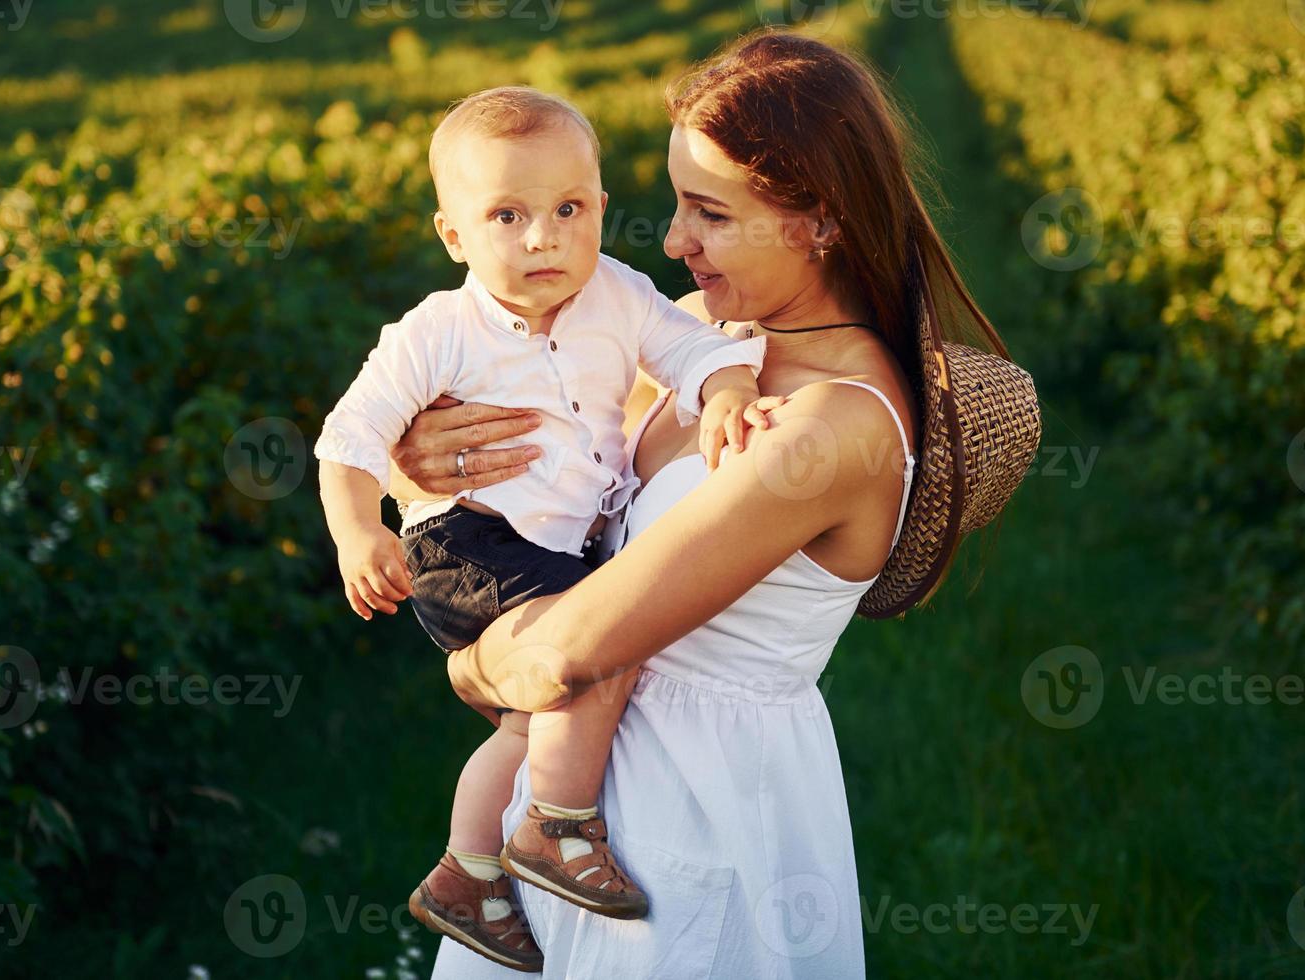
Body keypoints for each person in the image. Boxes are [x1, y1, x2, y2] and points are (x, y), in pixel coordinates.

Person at [386, 30, 1038, 978]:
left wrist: (471, 667)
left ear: (819, 220)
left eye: (710, 213)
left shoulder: (829, 428)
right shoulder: (702, 337)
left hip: (692, 816)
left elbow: (568, 651)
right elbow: (534, 484)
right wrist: (419, 465)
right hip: (573, 800)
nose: (675, 240)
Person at [312, 86, 770, 971]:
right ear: (454, 236)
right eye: (507, 216)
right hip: (465, 544)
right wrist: (358, 532)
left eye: (568, 209)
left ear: (600, 207)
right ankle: (556, 827)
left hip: (553, 550)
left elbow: (694, 347)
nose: (543, 238)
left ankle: (467, 872)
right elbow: (349, 437)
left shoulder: (620, 296)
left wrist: (726, 388)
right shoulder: (436, 333)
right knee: (600, 644)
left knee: (526, 725)